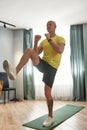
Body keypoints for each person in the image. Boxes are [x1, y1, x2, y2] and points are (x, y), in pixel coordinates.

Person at [3, 20, 65, 127]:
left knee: (47, 93)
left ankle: (50, 117)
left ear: (55, 26)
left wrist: (49, 39)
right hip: (43, 64)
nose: (48, 26)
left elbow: (59, 50)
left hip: (52, 68)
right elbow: (36, 53)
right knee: (29, 50)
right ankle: (15, 72)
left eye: (50, 24)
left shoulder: (60, 38)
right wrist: (36, 41)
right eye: (47, 25)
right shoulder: (44, 42)